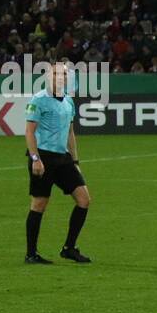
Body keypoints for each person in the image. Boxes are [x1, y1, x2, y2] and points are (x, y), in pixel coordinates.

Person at [24, 62, 92, 263]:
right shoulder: (39, 100)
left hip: (63, 158)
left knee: (84, 199)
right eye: (55, 73)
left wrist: (76, 160)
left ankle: (69, 248)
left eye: (63, 74)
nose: (59, 77)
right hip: (43, 157)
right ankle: (31, 254)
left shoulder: (68, 101)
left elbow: (71, 133)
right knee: (39, 204)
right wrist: (35, 158)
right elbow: (29, 132)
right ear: (48, 76)